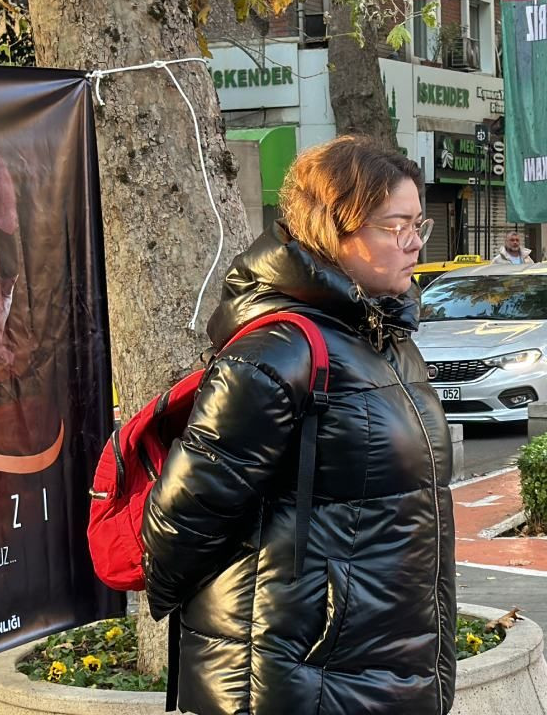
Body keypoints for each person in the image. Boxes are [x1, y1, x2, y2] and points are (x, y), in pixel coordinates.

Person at [141, 136, 457, 715]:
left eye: (420, 225)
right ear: (333, 230)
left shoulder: (385, 339)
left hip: (373, 658)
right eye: (395, 227)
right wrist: (312, 609)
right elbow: (178, 526)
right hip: (294, 670)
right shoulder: (278, 351)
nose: (414, 243)